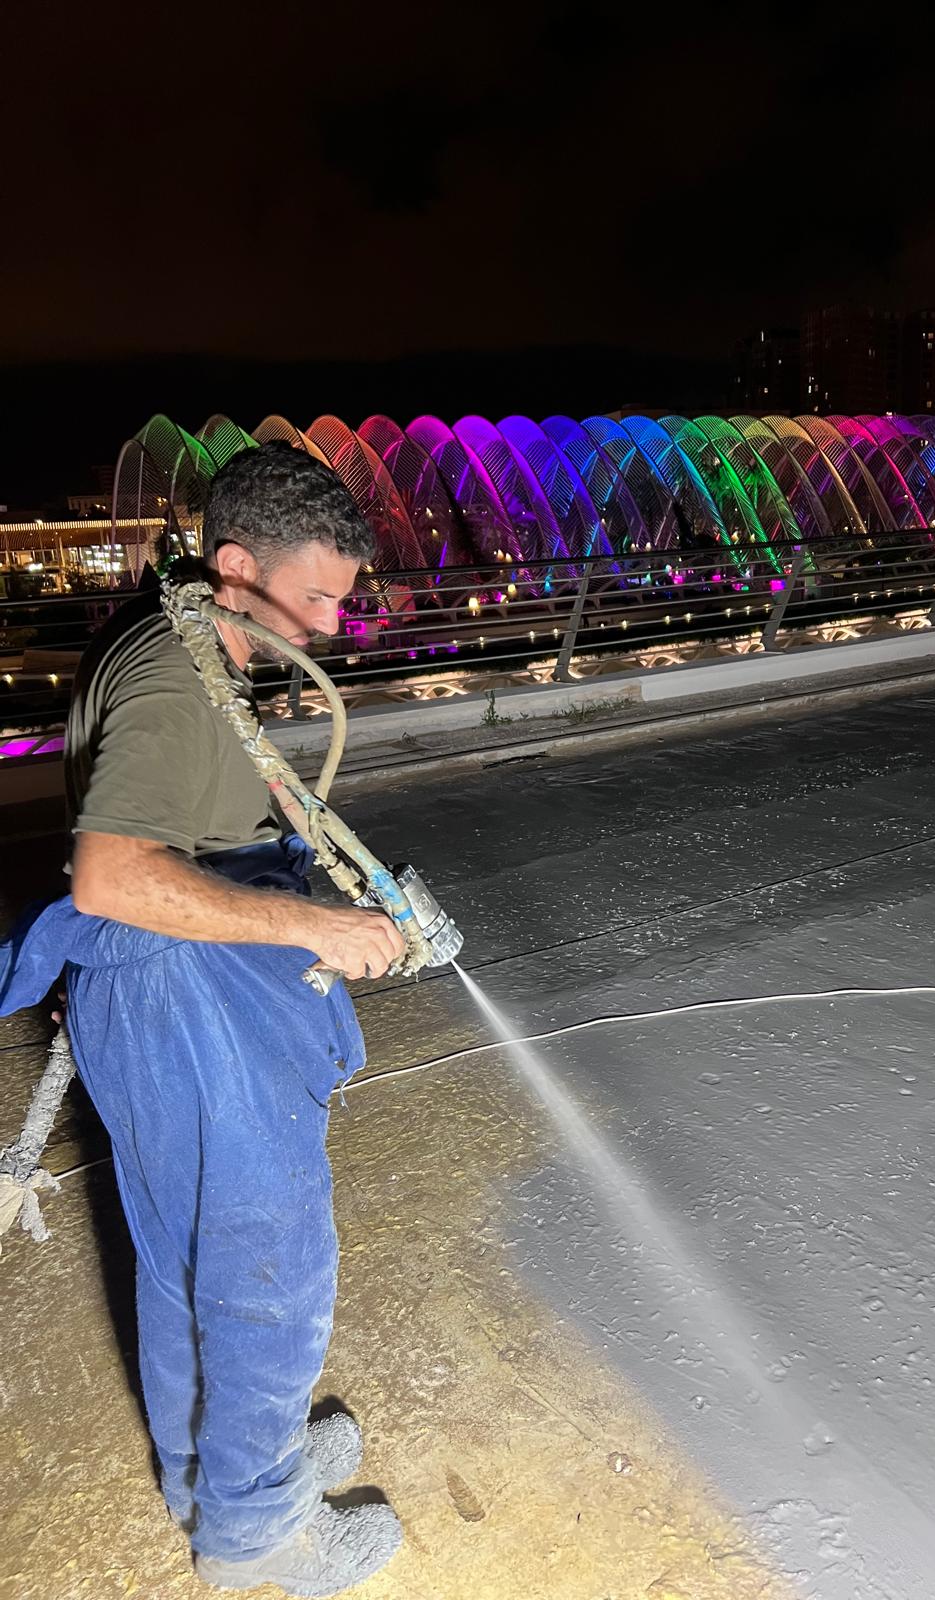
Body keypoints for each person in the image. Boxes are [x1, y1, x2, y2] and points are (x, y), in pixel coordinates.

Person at [0, 442, 407, 1595]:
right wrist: (314, 930)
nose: (330, 627)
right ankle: (257, 1532)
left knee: (189, 1261)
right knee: (268, 1266)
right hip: (178, 997)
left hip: (152, 994)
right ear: (238, 566)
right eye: (317, 597)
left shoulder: (184, 629)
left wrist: (309, 895)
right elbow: (109, 876)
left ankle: (215, 1468)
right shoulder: (178, 680)